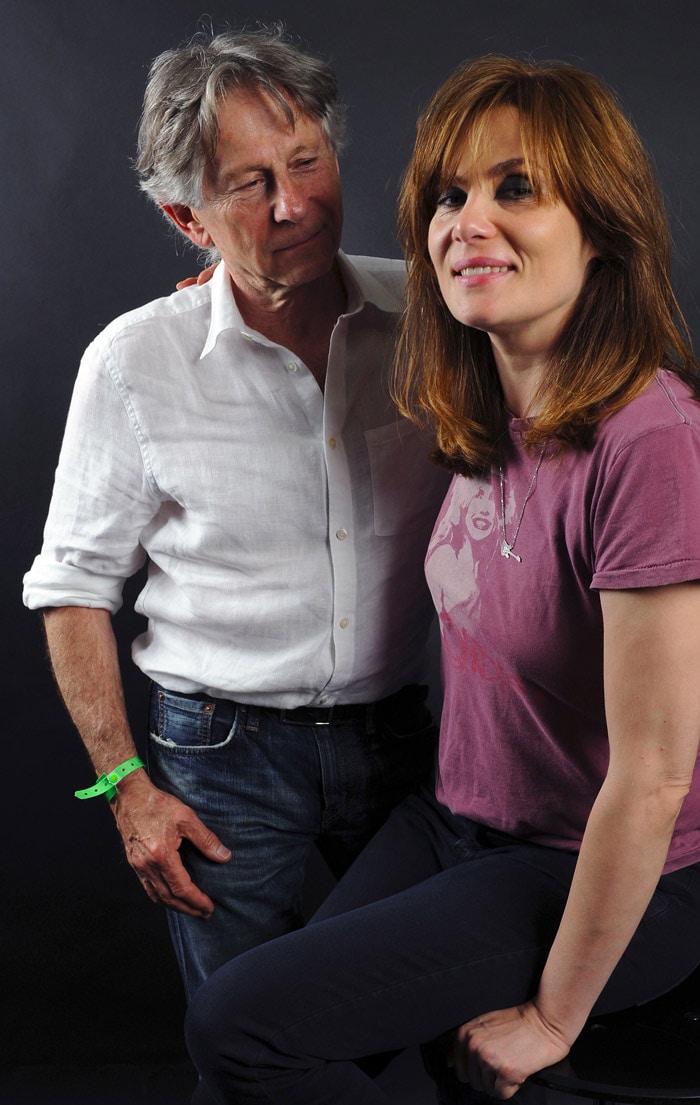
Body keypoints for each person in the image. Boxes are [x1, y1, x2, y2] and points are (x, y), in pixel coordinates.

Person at [181, 55, 700, 1105]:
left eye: (516, 188)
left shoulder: (647, 437)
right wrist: (237, 282)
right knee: (257, 1036)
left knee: (238, 1026)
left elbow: (651, 776)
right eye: (447, 196)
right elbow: (386, 291)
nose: (469, 220)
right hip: (451, 820)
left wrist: (555, 1015)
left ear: (599, 226)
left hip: (595, 867)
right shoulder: (477, 409)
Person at [22, 27, 448, 1005]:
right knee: (246, 1030)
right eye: (247, 183)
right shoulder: (134, 361)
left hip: (412, 741)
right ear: (187, 216)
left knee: (430, 1016)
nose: (293, 204)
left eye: (305, 162)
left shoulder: (436, 316)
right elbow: (73, 588)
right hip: (221, 757)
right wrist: (124, 790)